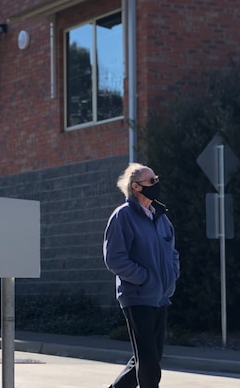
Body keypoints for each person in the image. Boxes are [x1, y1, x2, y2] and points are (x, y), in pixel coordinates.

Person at [104, 163, 180, 388]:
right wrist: (144, 278)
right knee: (148, 361)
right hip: (137, 296)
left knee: (150, 356)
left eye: (155, 179)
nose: (156, 184)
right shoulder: (123, 216)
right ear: (136, 186)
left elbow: (172, 252)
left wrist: (172, 275)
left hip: (161, 296)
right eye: (151, 181)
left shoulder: (161, 217)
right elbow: (114, 259)